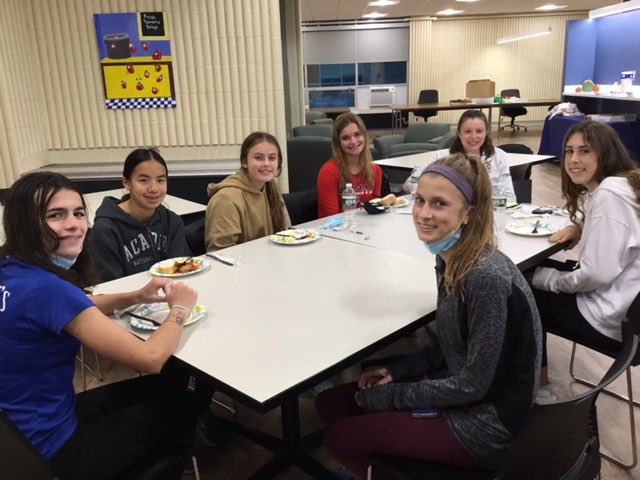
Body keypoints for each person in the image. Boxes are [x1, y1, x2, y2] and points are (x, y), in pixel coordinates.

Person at [316, 153, 542, 479]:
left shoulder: (484, 276)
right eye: (420, 200)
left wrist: (393, 396)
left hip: (489, 422)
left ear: (468, 214)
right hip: (467, 390)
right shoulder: (450, 257)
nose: (423, 213)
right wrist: (398, 370)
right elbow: (456, 345)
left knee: (340, 437)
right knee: (331, 406)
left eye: (439, 204)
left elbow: (474, 385)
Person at [0, 172, 214, 480]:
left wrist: (134, 296)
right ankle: (166, 466)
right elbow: (150, 358)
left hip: (16, 441)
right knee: (185, 395)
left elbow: (71, 307)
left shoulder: (12, 270)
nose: (74, 224)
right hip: (54, 451)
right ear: (24, 223)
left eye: (78, 213)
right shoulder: (47, 289)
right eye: (55, 215)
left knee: (174, 378)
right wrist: (180, 309)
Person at [530, 120, 640, 388]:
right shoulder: (624, 185)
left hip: (610, 317)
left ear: (605, 153)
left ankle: (539, 388)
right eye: (569, 151)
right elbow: (596, 212)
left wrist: (543, 279)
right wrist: (577, 225)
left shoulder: (608, 197)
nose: (573, 160)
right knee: (538, 271)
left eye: (585, 151)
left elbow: (594, 274)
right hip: (629, 310)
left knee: (522, 295)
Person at [90, 148, 190, 281]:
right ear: (127, 183)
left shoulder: (172, 221)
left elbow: (180, 270)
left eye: (160, 180)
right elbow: (110, 285)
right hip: (129, 299)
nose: (153, 189)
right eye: (143, 180)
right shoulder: (105, 230)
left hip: (168, 296)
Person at [403, 110, 516, 203]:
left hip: (490, 216)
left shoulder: (498, 156)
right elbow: (409, 184)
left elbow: (510, 198)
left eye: (479, 131)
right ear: (458, 133)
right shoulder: (443, 157)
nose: (473, 136)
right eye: (467, 131)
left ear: (486, 133)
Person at [205, 131, 291, 251]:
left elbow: (286, 231)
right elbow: (221, 253)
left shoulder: (271, 187)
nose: (266, 163)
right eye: (258, 158)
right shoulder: (226, 199)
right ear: (245, 162)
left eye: (272, 158)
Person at [317, 112, 383, 218]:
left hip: (366, 229)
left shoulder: (375, 171)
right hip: (334, 231)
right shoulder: (328, 172)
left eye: (357, 134)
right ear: (338, 143)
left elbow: (373, 210)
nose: (353, 141)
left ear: (365, 136)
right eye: (346, 138)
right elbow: (332, 216)